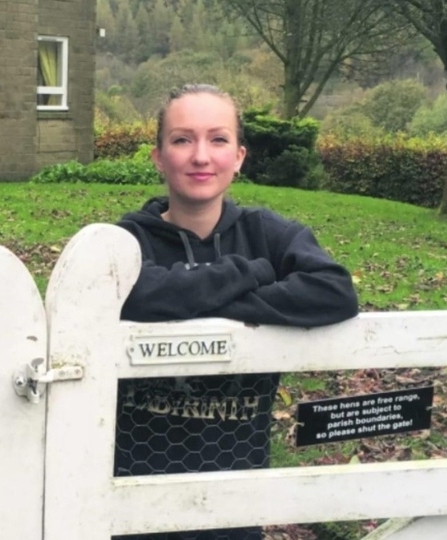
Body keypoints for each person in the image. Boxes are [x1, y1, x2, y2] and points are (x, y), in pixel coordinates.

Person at [114, 84, 359, 540]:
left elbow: (334, 292)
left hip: (236, 500)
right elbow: (125, 294)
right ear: (158, 157)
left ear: (240, 156)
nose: (201, 156)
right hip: (132, 498)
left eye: (218, 139)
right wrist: (252, 274)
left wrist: (191, 299)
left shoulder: (269, 233)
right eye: (182, 139)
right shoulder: (127, 240)